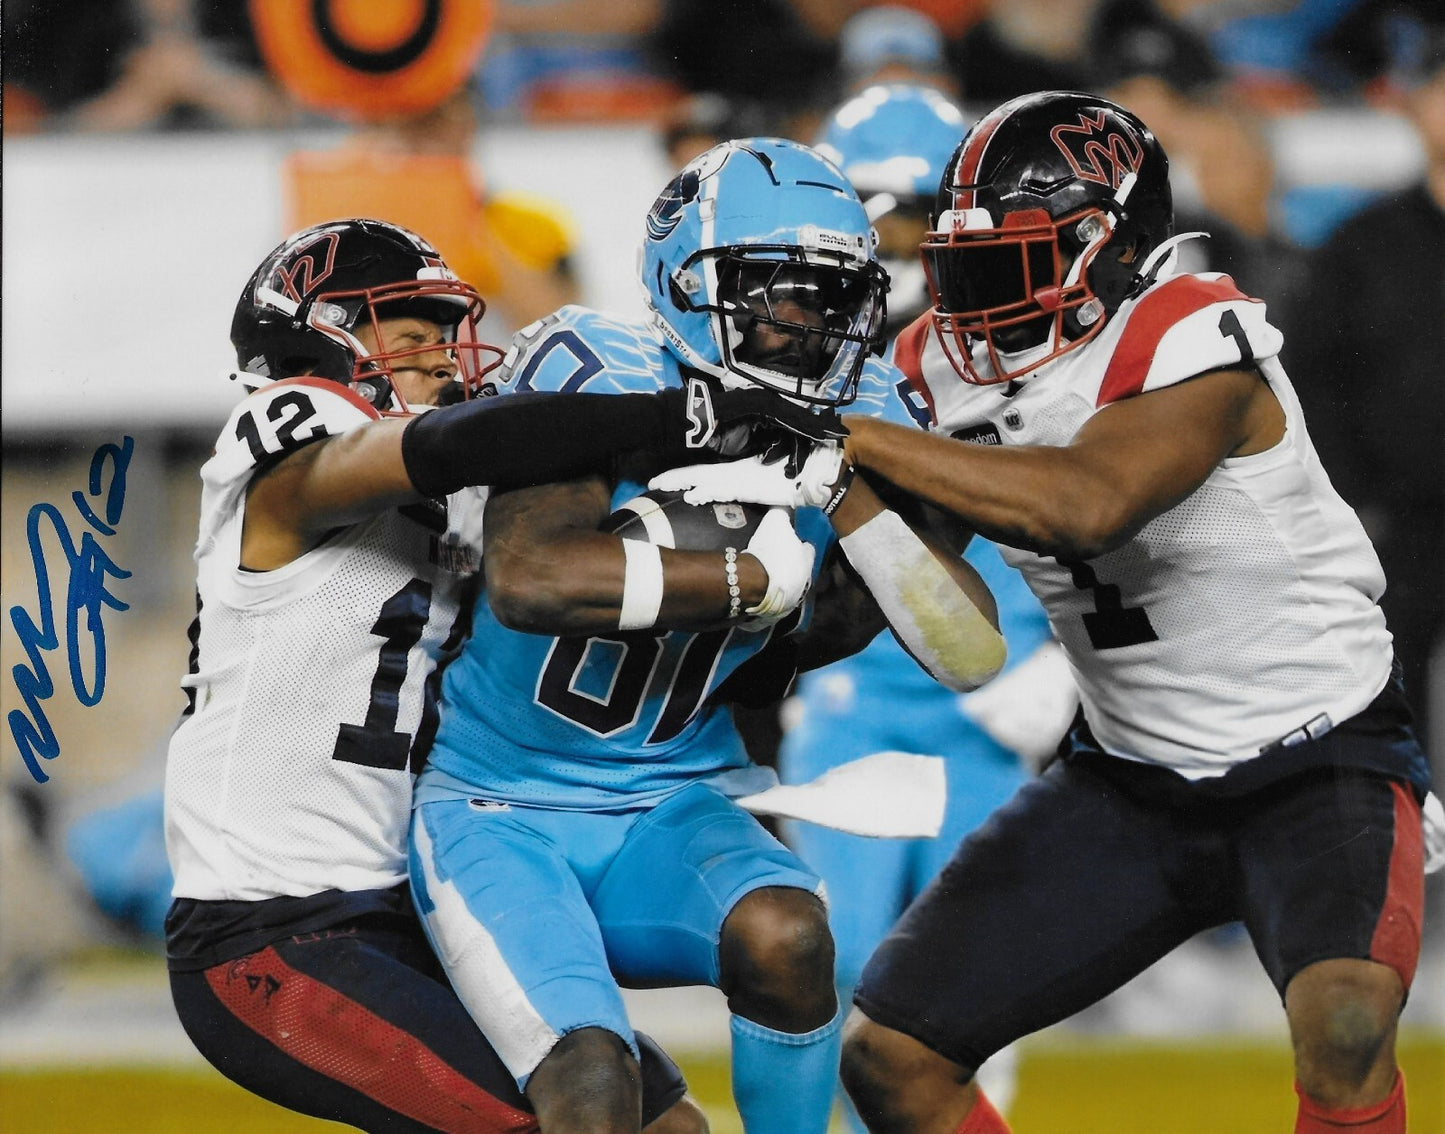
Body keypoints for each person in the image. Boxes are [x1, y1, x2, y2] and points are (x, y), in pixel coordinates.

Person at [662, 91, 1433, 1132]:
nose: (972, 296)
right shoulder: (929, 367)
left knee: (1344, 1023)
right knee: (890, 1058)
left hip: (1316, 752)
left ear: (1110, 248)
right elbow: (943, 622)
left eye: (1010, 261)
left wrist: (847, 437)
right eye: (962, 262)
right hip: (1130, 775)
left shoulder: (1189, 327)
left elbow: (1085, 504)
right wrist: (788, 562)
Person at [161, 215, 829, 1132]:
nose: (445, 360)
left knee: (664, 1124)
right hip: (271, 928)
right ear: (324, 341)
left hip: (405, 902)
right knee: (573, 1114)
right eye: (412, 335)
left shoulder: (453, 501)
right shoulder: (289, 447)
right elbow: (450, 443)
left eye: (447, 335)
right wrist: (682, 416)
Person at [407, 137, 1008, 1134]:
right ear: (691, 283)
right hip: (496, 804)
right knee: (593, 1081)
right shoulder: (599, 362)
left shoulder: (857, 412)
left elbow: (970, 651)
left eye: (837, 296)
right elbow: (532, 578)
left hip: (674, 798)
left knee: (788, 936)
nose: (816, 323)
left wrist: (841, 485)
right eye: (787, 292)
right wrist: (749, 581)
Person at [789, 82, 1077, 1131]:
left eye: (914, 215)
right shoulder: (802, 348)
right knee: (829, 966)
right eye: (874, 214)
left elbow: (1082, 506)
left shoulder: (1018, 348)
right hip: (851, 700)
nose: (898, 242)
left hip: (988, 702)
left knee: (976, 986)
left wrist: (1064, 658)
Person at [1283, 17, 1445, 773]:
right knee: (1385, 702)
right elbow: (1314, 379)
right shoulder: (1362, 244)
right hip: (1396, 522)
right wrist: (1351, 503)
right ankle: (1402, 829)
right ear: (1413, 104)